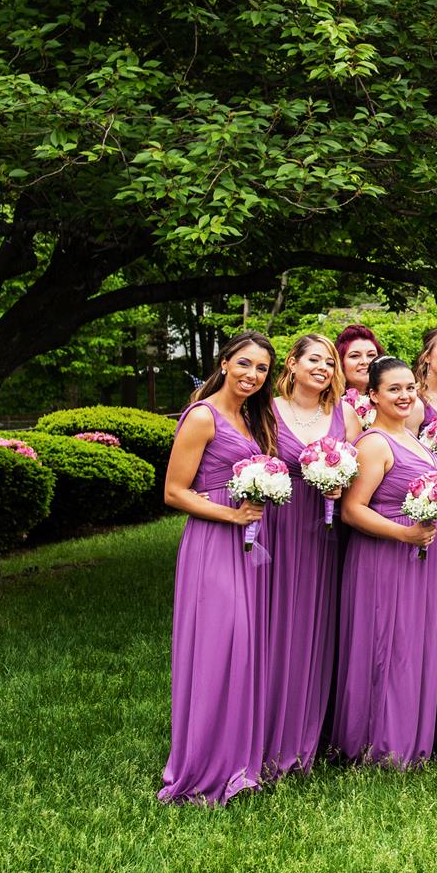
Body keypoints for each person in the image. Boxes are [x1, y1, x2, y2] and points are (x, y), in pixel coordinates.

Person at [159, 332, 277, 804]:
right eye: (244, 363)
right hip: (212, 543)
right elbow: (174, 492)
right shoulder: (202, 415)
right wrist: (232, 515)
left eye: (262, 368)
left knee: (241, 650)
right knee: (216, 647)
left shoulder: (249, 418)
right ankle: (201, 767)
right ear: (225, 363)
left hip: (247, 545)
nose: (252, 374)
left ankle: (236, 762)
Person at [330, 356, 437, 768]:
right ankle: (378, 743)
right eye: (394, 389)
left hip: (421, 558)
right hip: (386, 559)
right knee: (388, 642)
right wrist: (404, 534)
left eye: (409, 388)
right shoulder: (375, 443)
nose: (404, 396)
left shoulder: (414, 438)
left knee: (413, 645)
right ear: (374, 396)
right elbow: (352, 510)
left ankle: (410, 735)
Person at [264, 333, 347, 777]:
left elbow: (360, 471)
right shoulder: (267, 410)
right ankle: (268, 729)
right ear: (292, 364)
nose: (323, 368)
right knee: (278, 623)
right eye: (314, 359)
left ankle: (309, 735)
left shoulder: (345, 414)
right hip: (278, 525)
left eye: (330, 362)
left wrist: (341, 485)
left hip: (323, 531)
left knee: (316, 623)